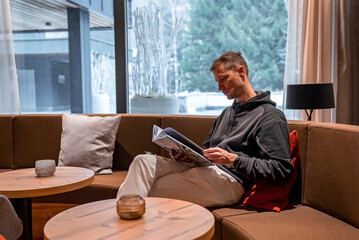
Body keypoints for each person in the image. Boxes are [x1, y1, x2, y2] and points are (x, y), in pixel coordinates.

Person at [117, 51, 293, 207]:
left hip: (230, 181)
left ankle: (120, 228)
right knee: (142, 162)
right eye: (217, 81)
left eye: (223, 78)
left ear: (241, 72)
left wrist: (233, 159)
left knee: (144, 190)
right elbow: (207, 148)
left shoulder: (270, 116)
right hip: (206, 170)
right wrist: (186, 155)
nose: (219, 87)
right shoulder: (226, 113)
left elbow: (281, 169)